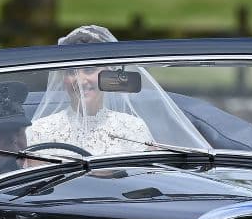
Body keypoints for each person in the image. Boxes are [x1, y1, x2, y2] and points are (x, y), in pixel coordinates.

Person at [26, 25, 156, 156]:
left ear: (109, 73)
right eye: (71, 72)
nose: (80, 80)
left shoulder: (132, 128)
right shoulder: (39, 131)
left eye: (89, 70)